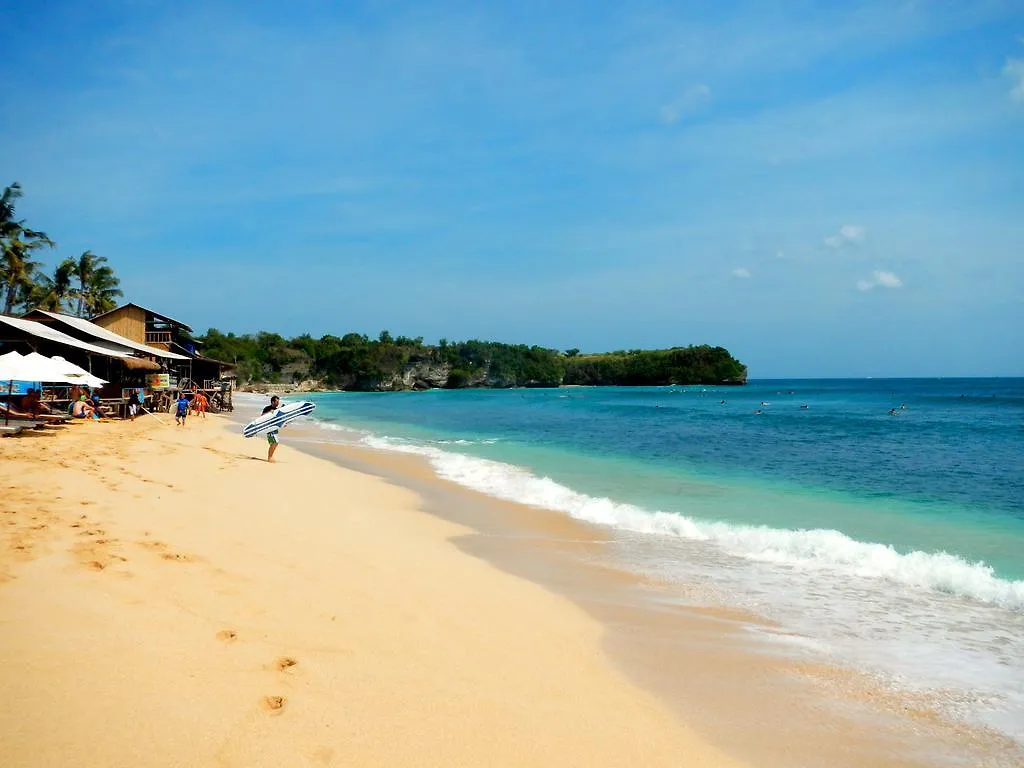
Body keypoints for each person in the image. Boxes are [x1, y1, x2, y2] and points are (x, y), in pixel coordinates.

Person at [262, 395, 282, 462]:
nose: (278, 403)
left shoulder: (277, 410)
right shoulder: (267, 408)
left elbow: (280, 419)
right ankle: (269, 457)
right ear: (272, 402)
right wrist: (269, 412)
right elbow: (262, 416)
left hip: (275, 428)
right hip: (269, 428)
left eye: (278, 402)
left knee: (275, 443)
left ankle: (271, 456)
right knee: (274, 442)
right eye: (277, 402)